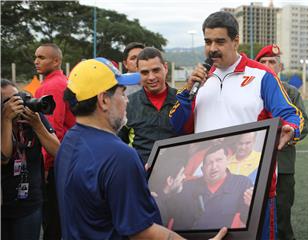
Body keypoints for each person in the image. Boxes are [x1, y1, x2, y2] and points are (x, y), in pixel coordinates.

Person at [56, 57, 227, 240]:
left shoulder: (69, 141)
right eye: (122, 93)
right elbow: (142, 233)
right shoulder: (120, 156)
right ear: (103, 100)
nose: (127, 101)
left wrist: (134, 180)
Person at [169, 11, 304, 240]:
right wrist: (187, 91)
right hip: (207, 186)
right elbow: (178, 125)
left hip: (252, 187)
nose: (212, 48)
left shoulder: (262, 75)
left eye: (220, 41)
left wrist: (291, 128)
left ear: (235, 41)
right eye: (208, 42)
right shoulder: (200, 80)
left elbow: (290, 113)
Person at [254, 44, 308, 240]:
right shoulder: (250, 88)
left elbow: (304, 126)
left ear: (281, 66)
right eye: (263, 62)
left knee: (282, 218)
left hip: (282, 166)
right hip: (252, 164)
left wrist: (281, 136)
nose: (268, 65)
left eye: (272, 62)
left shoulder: (290, 91)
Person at [1, 80, 60, 240]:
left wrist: (37, 125)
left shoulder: (33, 117)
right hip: (3, 203)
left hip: (30, 203)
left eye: (18, 98)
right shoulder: (3, 120)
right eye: (10, 101)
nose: (17, 104)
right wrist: (6, 120)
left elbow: (58, 151)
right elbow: (3, 158)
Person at [34, 42, 76, 239]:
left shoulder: (52, 86)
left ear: (57, 60)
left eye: (42, 57)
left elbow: (53, 130)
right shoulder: (62, 82)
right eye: (36, 57)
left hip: (57, 162)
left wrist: (46, 166)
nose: (36, 61)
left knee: (53, 222)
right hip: (68, 158)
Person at [159, 144, 253, 230]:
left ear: (227, 162)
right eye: (209, 163)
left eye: (219, 160)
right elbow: (166, 210)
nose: (214, 166)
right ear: (202, 169)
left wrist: (251, 206)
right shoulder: (187, 187)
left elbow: (248, 220)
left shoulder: (242, 184)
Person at [119, 47, 178, 163]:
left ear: (165, 68)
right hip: (141, 177)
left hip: (178, 176)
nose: (151, 77)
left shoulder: (182, 101)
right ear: (137, 72)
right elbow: (119, 146)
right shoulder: (128, 105)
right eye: (145, 72)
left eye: (156, 70)